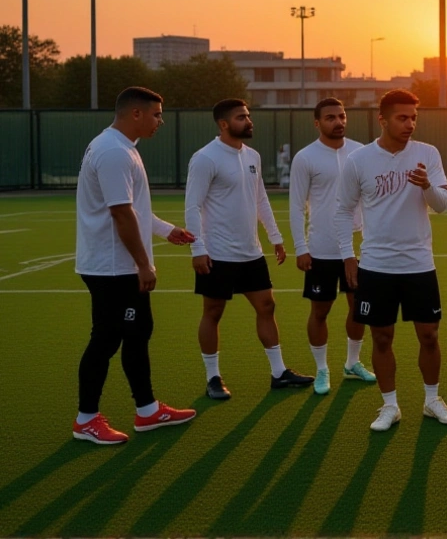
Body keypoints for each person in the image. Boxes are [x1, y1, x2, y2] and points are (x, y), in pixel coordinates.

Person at [73, 87, 198, 445]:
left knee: (138, 332)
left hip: (115, 264)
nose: (161, 121)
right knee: (107, 338)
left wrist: (166, 230)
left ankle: (147, 410)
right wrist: (143, 264)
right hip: (113, 267)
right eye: (157, 114)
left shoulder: (121, 147)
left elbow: (134, 209)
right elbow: (121, 213)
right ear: (136, 114)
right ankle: (86, 420)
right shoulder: (114, 151)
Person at [336, 90, 447, 431]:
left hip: (419, 264)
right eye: (402, 118)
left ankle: (432, 400)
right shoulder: (359, 160)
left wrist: (427, 186)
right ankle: (390, 406)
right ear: (383, 119)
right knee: (382, 338)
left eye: (413, 118)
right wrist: (348, 255)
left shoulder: (427, 154)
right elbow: (343, 210)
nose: (410, 124)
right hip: (376, 266)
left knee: (429, 335)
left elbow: (443, 205)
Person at [186, 99, 312, 400]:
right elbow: (192, 206)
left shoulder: (252, 155)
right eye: (241, 117)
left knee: (267, 306)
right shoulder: (205, 158)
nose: (248, 120)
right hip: (217, 253)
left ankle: (279, 372)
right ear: (224, 124)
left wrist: (275, 237)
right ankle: (213, 378)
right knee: (213, 312)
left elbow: (260, 199)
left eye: (248, 115)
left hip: (250, 252)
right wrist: (197, 249)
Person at [288, 98, 376, 396]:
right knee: (320, 311)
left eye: (341, 116)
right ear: (317, 123)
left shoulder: (361, 152)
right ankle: (322, 369)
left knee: (359, 308)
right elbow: (296, 206)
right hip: (321, 249)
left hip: (358, 249)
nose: (338, 122)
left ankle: (352, 363)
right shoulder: (305, 157)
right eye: (330, 118)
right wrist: (301, 247)